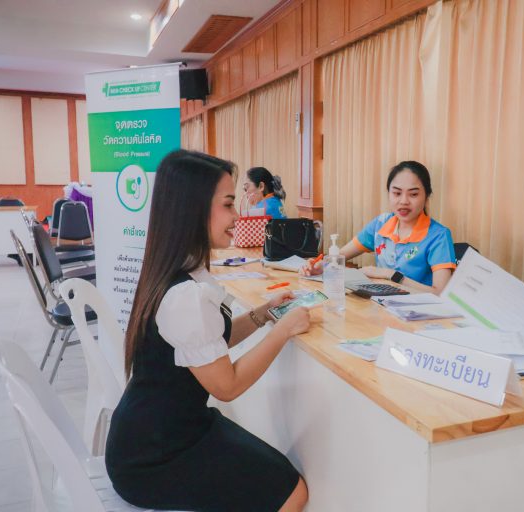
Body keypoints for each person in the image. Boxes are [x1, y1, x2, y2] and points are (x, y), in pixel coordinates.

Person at [105, 150, 310, 511]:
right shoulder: (186, 295)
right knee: (291, 491)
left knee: (278, 474)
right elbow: (227, 386)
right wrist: (284, 331)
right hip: (153, 458)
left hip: (169, 431)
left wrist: (264, 314)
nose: (237, 215)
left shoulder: (178, 271)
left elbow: (208, 343)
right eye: (228, 204)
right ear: (193, 209)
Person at [301, 160, 456, 294]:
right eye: (397, 193)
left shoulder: (438, 235)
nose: (404, 201)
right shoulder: (381, 224)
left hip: (417, 312)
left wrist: (390, 274)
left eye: (413, 194)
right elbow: (340, 255)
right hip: (379, 305)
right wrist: (320, 266)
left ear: (426, 197)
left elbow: (440, 292)